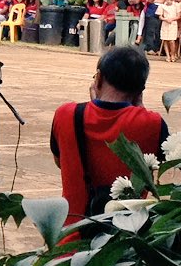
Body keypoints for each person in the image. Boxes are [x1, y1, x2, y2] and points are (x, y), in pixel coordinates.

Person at [50, 46, 167, 231]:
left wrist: (91, 106)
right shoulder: (154, 124)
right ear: (141, 89)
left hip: (72, 236)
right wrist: (140, 110)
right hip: (127, 240)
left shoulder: (66, 115)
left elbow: (60, 162)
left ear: (98, 78)